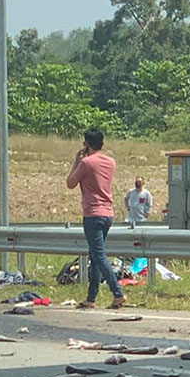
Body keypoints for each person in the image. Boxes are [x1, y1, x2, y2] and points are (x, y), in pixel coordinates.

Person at [66, 127, 125, 309]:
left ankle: (118, 293)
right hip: (108, 213)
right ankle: (91, 298)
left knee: (99, 255)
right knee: (95, 254)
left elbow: (70, 183)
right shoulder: (110, 162)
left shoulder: (87, 163)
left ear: (86, 144)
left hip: (93, 213)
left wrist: (76, 161)